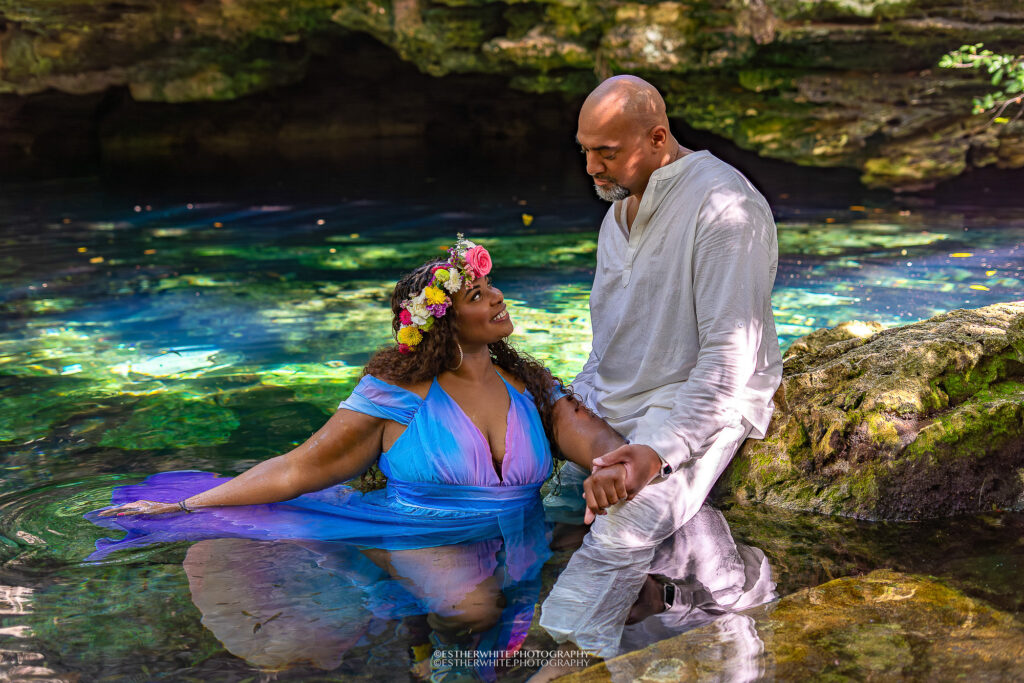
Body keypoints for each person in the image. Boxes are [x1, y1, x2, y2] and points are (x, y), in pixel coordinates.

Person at [87, 234, 627, 678]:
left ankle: (432, 650)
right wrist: (185, 507)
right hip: (421, 531)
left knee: (538, 626)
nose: (496, 297)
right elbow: (299, 467)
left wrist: (620, 462)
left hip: (520, 529)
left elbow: (594, 438)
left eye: (489, 288)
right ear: (443, 320)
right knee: (474, 612)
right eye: (477, 295)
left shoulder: (531, 385)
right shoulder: (397, 396)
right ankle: (376, 556)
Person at [538, 75, 783, 658]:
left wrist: (658, 450)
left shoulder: (726, 207)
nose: (591, 168)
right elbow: (609, 343)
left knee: (620, 535)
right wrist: (574, 409)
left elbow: (726, 362)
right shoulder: (617, 212)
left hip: (691, 410)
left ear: (656, 137)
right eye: (585, 151)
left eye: (606, 152)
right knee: (538, 510)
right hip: (613, 408)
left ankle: (554, 661)